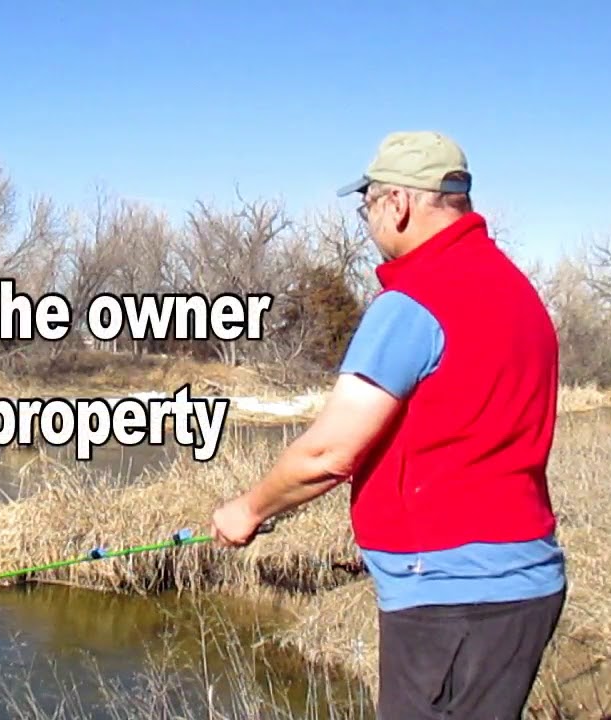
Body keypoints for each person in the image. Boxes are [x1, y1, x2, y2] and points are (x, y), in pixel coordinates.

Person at [209, 130, 567, 719]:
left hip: (451, 593)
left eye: (367, 205)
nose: (368, 219)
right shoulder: (517, 292)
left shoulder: (412, 304)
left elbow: (328, 453)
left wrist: (247, 511)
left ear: (397, 204)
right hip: (526, 583)